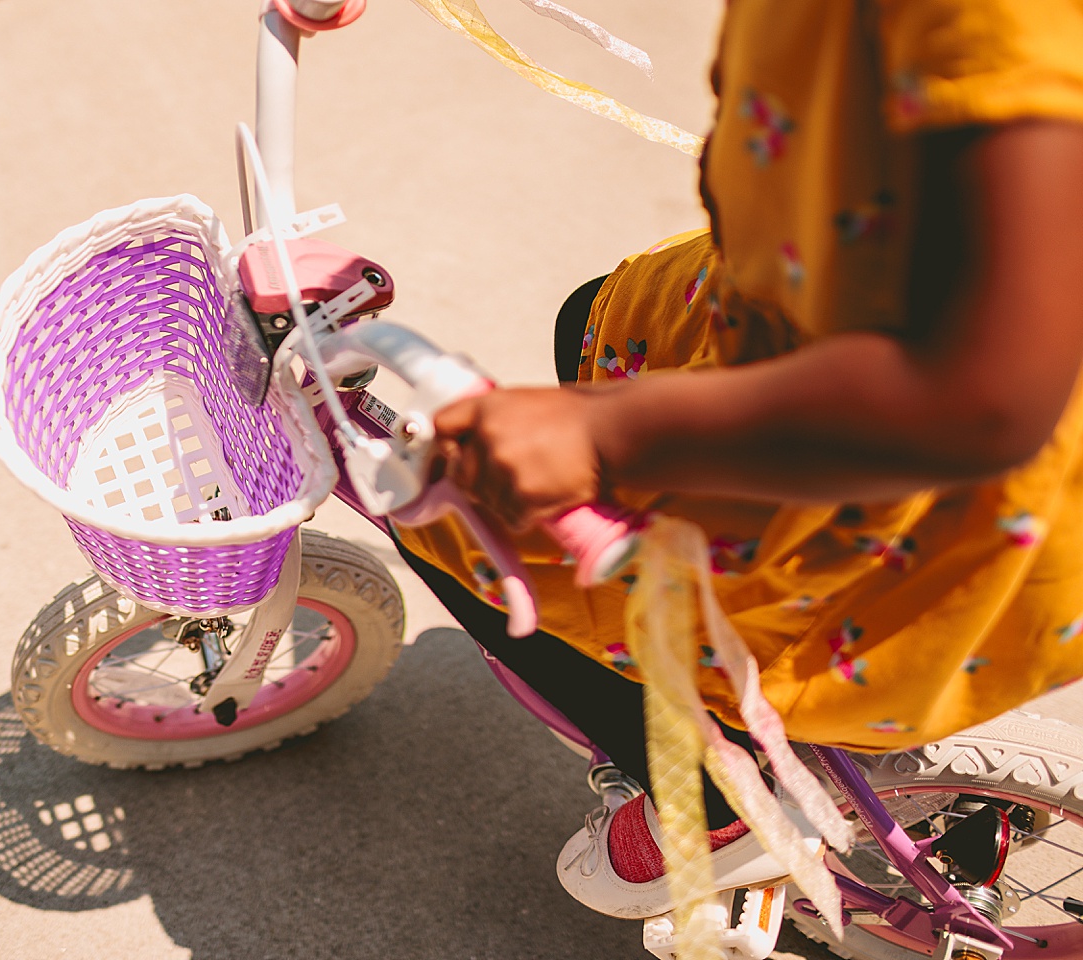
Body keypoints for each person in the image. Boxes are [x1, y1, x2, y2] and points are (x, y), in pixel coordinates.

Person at [392, 0, 1083, 917]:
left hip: (897, 460)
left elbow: (980, 394)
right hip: (793, 299)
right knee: (592, 318)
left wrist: (606, 437)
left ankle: (721, 803)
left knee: (460, 534)